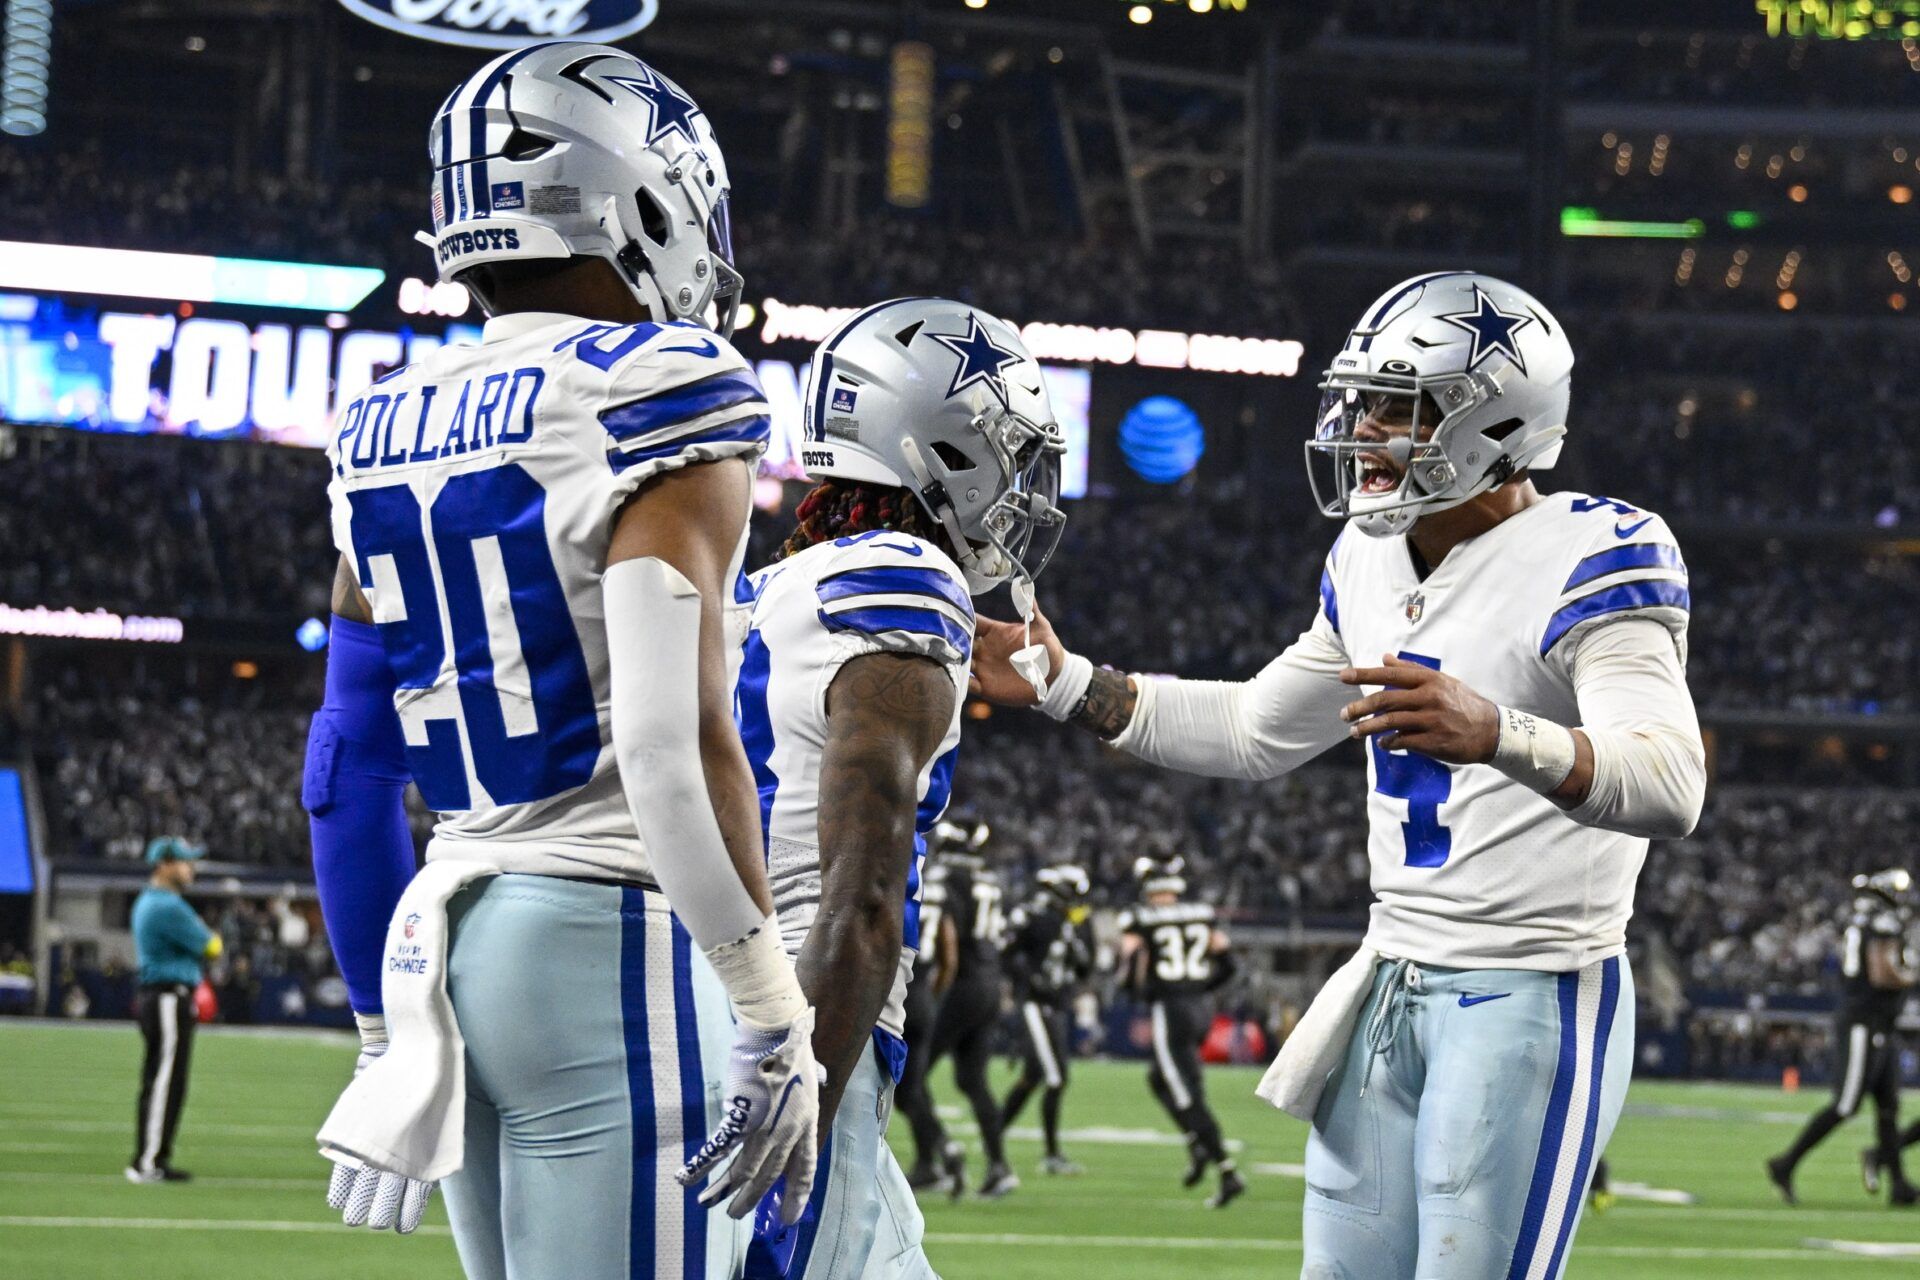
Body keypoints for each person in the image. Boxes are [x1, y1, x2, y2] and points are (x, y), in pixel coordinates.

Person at [972, 272, 1706, 1279]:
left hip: (1531, 988)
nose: (1361, 429)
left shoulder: (1595, 550)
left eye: (1394, 407)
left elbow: (1671, 781)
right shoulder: (1367, 555)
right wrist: (1067, 683)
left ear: (1491, 419)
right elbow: (1253, 730)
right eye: (1359, 402)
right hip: (1388, 981)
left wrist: (1501, 732)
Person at [305, 43, 822, 1273]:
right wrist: (767, 1006)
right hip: (613, 938)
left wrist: (386, 1023)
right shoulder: (659, 383)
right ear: (635, 197)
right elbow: (668, 743)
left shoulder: (379, 421)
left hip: (453, 940)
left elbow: (346, 762)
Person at [732, 295, 1066, 1276]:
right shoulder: (906, 586)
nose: (1019, 486)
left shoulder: (771, 588)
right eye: (1006, 454)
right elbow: (864, 893)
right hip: (816, 1013)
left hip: (746, 993)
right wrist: (803, 1088)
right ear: (939, 448)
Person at [1767, 867, 1917, 1207]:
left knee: (1889, 1108)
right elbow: (1882, 973)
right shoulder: (1882, 922)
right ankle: (1786, 1163)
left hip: (1879, 1023)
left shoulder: (1864, 919)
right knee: (1846, 1104)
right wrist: (1910, 974)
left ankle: (1899, 1184)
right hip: (1865, 1021)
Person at [1116, 856, 1244, 1208]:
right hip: (1201, 1009)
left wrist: (1138, 993)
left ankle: (1225, 1168)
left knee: (1188, 1093)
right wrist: (1201, 987)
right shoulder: (1201, 912)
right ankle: (1195, 1141)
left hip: (1171, 1010)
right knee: (1159, 1080)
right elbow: (1229, 963)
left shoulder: (1138, 918)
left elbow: (1129, 967)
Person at [918, 822, 1017, 1198]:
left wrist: (938, 985)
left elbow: (947, 935)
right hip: (991, 983)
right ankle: (998, 1166)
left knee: (915, 1076)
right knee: (972, 1080)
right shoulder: (988, 879)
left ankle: (930, 1160)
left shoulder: (947, 876)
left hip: (964, 983)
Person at [127, 836, 222, 1184]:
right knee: (165, 1081)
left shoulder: (151, 902)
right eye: (185, 861)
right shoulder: (168, 906)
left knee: (162, 1079)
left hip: (161, 996)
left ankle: (153, 1157)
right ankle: (149, 1161)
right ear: (165, 864)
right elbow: (212, 945)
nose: (190, 868)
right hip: (168, 997)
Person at [999, 863, 1094, 1176]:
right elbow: (1008, 952)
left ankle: (993, 1132)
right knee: (1056, 1078)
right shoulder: (1034, 915)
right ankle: (1052, 1155)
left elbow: (1083, 967)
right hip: (1037, 1004)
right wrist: (1029, 980)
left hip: (1054, 1004)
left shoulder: (1065, 922)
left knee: (1034, 1077)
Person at [898, 843, 960, 1191]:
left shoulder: (893, 877)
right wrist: (932, 996)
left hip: (895, 995)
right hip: (923, 997)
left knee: (895, 1092)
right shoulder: (939, 892)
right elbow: (950, 957)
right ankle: (931, 1160)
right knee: (914, 1089)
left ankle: (939, 1150)